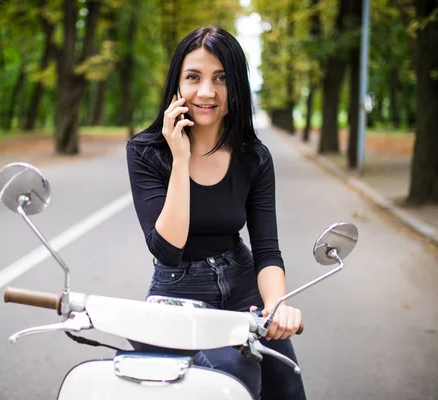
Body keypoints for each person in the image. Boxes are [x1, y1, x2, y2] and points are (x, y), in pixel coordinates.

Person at [126, 26, 306, 400]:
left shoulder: (254, 157)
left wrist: (277, 305)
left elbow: (267, 251)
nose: (206, 92)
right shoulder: (146, 152)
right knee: (233, 377)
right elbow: (167, 249)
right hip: (178, 297)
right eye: (193, 77)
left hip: (243, 289)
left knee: (286, 386)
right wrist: (180, 158)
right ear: (176, 85)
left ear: (237, 87)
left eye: (221, 79)